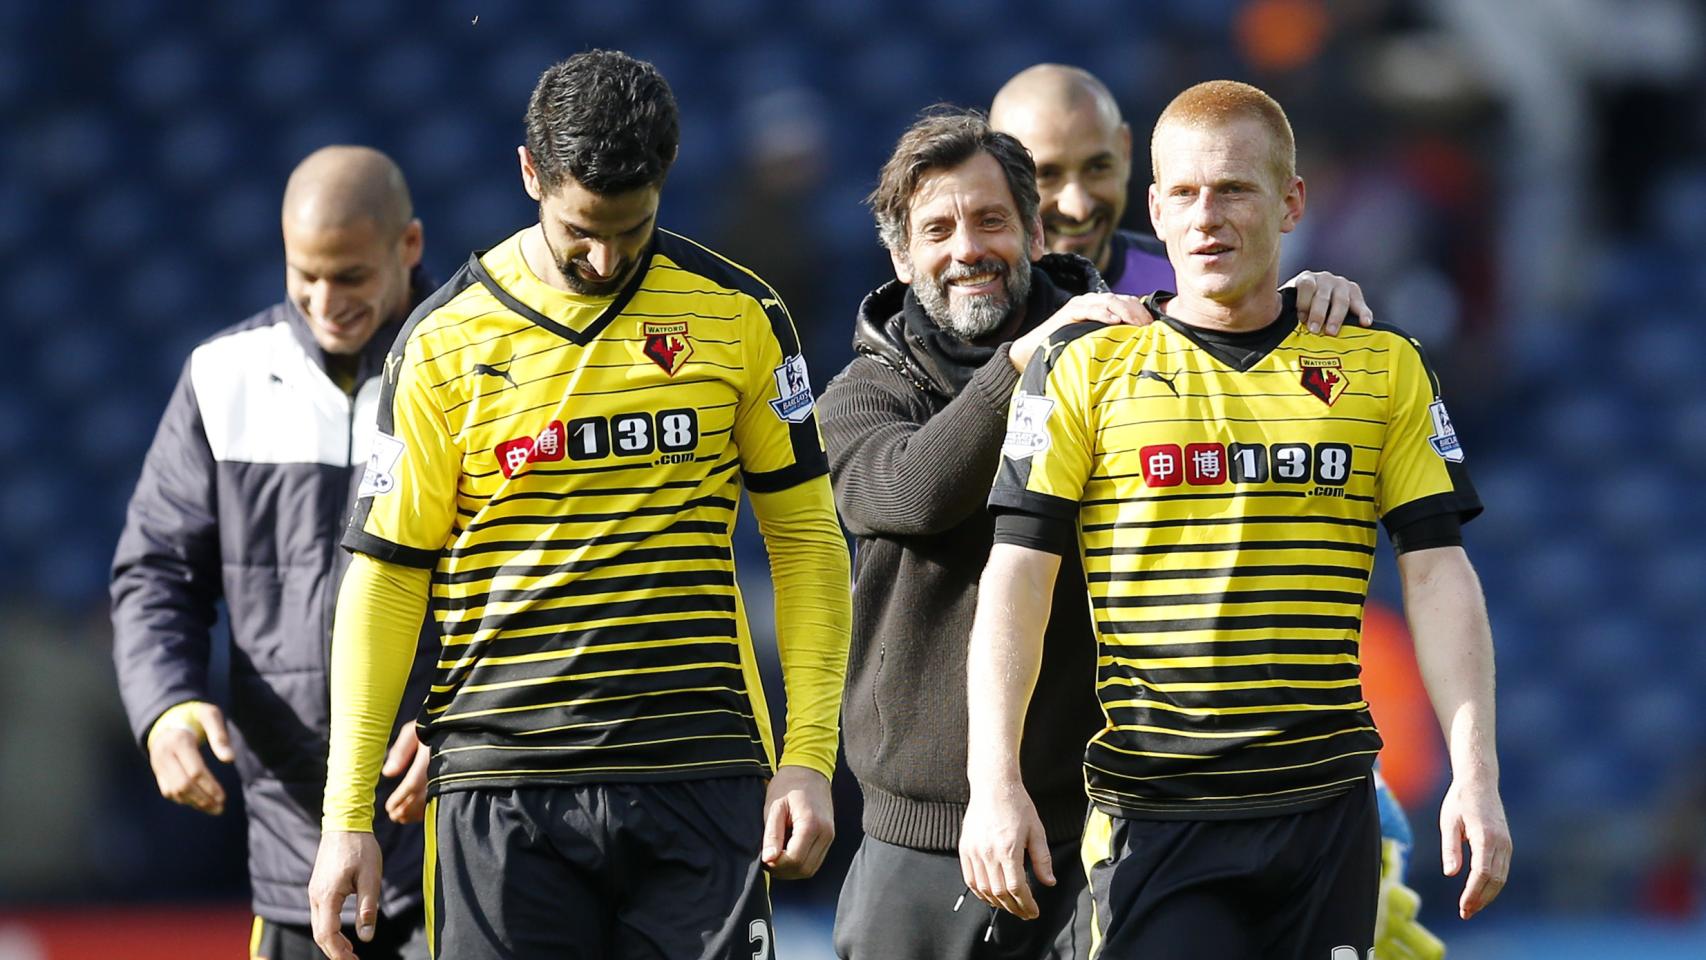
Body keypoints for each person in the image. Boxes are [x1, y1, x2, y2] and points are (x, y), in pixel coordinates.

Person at [307, 50, 851, 960]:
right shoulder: (442, 344)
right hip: (500, 788)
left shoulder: (741, 314)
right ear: (530, 174)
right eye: (580, 231)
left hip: (700, 770)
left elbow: (804, 541)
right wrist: (345, 817)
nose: (605, 257)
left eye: (631, 230)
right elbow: (387, 581)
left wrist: (808, 754)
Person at [961, 80, 1511, 958]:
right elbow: (1016, 581)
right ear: (1155, 207)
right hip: (1157, 817)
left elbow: (1439, 570)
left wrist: (1474, 776)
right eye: (1183, 192)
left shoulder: (1380, 363)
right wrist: (993, 782)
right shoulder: (1084, 367)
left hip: (1327, 818)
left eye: (1235, 190)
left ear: (1292, 201)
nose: (1206, 216)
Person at [819, 106, 1368, 959]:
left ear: (1036, 231)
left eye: (992, 220)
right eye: (938, 229)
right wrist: (1024, 366)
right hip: (916, 842)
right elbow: (912, 494)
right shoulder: (862, 393)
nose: (968, 249)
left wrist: (1294, 305)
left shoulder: (1125, 346)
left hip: (1104, 832)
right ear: (901, 256)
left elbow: (1222, 325)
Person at [111, 145, 437, 959]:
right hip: (296, 852)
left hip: (454, 835)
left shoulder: (471, 370)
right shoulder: (224, 377)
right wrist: (166, 706)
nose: (326, 300)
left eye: (351, 277)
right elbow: (156, 569)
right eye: (305, 274)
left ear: (409, 246)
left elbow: (529, 581)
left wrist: (469, 726)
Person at [989, 63, 1366, 333]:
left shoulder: (1196, 266)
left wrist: (1310, 302)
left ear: (1124, 151)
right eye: (1047, 175)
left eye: (1097, 168)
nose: (1079, 206)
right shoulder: (971, 294)